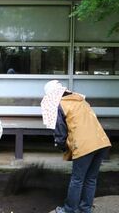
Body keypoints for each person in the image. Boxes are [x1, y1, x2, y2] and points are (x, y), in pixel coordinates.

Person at [41, 80, 111, 213]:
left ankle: (69, 210)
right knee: (91, 179)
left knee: (77, 180)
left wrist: (62, 146)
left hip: (85, 145)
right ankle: (85, 209)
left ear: (52, 96)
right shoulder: (80, 100)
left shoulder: (59, 104)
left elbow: (60, 132)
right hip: (102, 142)